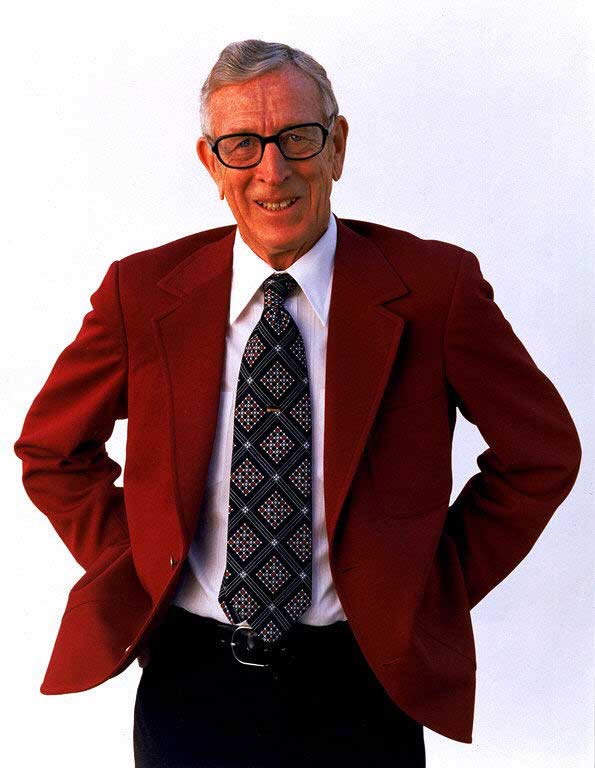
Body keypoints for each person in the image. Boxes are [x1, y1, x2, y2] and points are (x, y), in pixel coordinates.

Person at [14, 39, 582, 768]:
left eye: (296, 138)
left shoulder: (435, 290)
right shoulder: (143, 291)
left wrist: (423, 585)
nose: (271, 171)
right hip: (191, 680)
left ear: (337, 144)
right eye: (242, 145)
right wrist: (136, 561)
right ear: (210, 162)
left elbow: (539, 456)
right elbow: (53, 451)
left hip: (362, 682)